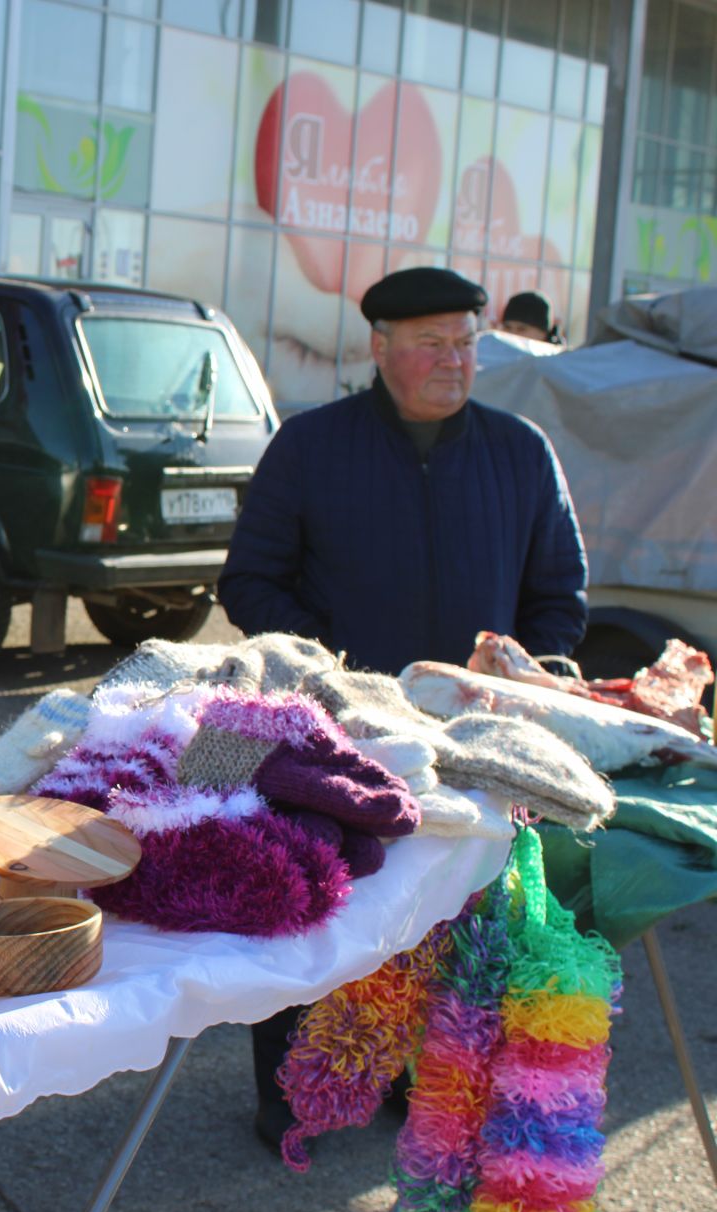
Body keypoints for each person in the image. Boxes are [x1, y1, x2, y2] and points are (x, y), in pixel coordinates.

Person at [217, 266, 588, 1150]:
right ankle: (295, 1095)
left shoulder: (519, 451)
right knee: (321, 913)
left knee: (446, 917)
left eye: (466, 343)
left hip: (469, 748)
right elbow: (250, 580)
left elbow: (559, 596)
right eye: (431, 344)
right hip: (338, 738)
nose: (453, 361)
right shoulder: (312, 447)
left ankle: (404, 1076)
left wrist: (522, 678)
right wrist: (336, 672)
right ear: (380, 348)